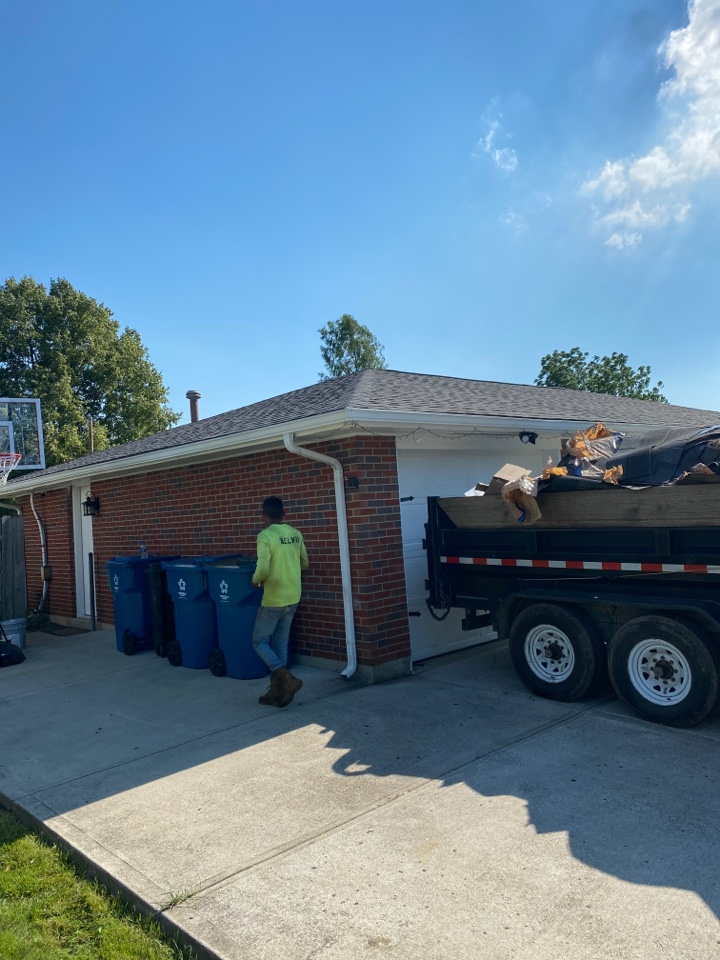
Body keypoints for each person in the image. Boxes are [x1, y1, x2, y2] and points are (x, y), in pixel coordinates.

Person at [251, 496, 309, 707]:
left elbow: (263, 568)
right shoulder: (295, 534)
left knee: (259, 641)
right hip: (293, 595)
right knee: (280, 642)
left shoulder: (265, 536)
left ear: (263, 516)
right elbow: (304, 562)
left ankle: (285, 678)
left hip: (274, 598)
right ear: (284, 515)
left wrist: (256, 581)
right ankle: (278, 691)